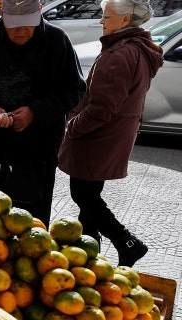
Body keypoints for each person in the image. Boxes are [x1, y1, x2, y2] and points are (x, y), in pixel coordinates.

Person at [0, 0, 86, 227]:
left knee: (31, 221)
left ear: (39, 13)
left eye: (28, 23)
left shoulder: (57, 40)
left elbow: (75, 89)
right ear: (1, 14)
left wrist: (35, 113)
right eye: (14, 24)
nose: (22, 30)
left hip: (39, 150)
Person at [58, 0, 163, 267]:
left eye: (106, 16)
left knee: (84, 195)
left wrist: (72, 128)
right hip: (112, 137)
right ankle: (88, 254)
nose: (101, 21)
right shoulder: (135, 48)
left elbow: (101, 110)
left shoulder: (119, 55)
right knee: (88, 197)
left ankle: (127, 242)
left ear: (126, 20)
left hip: (97, 139)